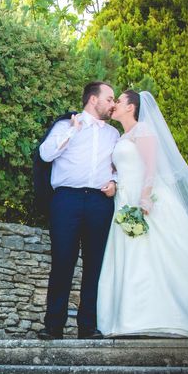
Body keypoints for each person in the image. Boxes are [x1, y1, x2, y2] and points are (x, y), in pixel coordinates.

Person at [97, 90, 188, 338]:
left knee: (159, 253)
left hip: (145, 198)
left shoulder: (143, 131)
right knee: (133, 255)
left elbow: (151, 166)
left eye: (119, 101)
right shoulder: (122, 136)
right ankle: (130, 318)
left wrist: (145, 196)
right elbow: (122, 169)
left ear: (131, 107)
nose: (115, 105)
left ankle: (167, 316)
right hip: (123, 201)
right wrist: (113, 185)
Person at [37, 82, 120, 340]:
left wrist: (115, 183)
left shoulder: (113, 135)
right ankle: (53, 326)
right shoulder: (65, 125)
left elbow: (119, 166)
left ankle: (88, 326)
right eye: (109, 98)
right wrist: (71, 132)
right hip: (67, 201)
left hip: (99, 203)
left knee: (95, 265)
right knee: (62, 262)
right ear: (93, 100)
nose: (113, 103)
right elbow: (45, 154)